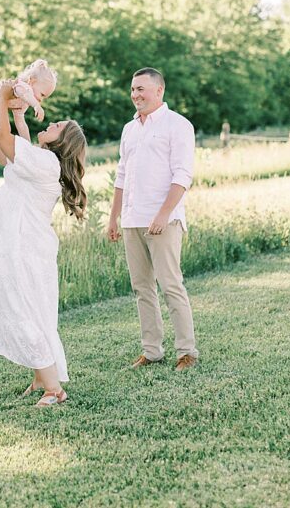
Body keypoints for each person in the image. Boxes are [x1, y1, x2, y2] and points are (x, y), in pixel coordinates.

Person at [0, 81, 87, 408]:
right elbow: (1, 148)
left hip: (22, 244)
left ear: (62, 141)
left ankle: (55, 389)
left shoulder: (46, 164)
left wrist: (1, 96)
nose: (50, 124)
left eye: (57, 126)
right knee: (26, 307)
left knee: (22, 307)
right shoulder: (40, 159)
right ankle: (41, 377)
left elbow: (4, 139)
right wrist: (9, 113)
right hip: (13, 241)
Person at [107, 67, 199, 371]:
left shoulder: (178, 125)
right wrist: (113, 218)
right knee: (142, 288)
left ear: (159, 91)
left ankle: (186, 352)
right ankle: (152, 350)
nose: (135, 95)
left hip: (163, 221)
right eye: (133, 89)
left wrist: (163, 214)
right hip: (132, 220)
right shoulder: (128, 129)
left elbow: (182, 176)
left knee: (171, 285)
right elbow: (121, 175)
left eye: (141, 89)